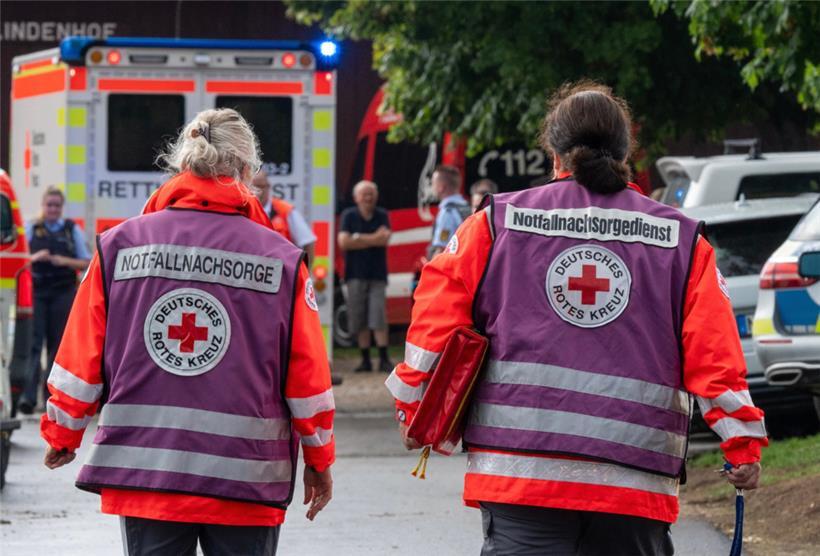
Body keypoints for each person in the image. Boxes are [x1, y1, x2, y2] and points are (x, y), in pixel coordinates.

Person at [387, 82, 767, 555]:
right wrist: (741, 443)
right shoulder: (682, 242)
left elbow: (436, 321)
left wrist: (414, 407)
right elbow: (715, 352)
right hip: (633, 479)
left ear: (554, 153)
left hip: (521, 470)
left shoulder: (496, 222)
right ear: (626, 151)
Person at [40, 108, 335, 556]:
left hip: (146, 469)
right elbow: (307, 375)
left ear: (182, 165)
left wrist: (63, 431)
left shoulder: (120, 246)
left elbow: (81, 352)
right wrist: (319, 458)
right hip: (245, 478)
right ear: (246, 170)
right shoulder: (283, 259)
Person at [18, 186, 91, 415]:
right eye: (49, 205)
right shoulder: (32, 228)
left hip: (62, 292)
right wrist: (34, 257)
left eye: (56, 205)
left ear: (61, 208)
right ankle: (28, 398)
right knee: (33, 344)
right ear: (43, 206)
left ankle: (50, 396)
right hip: (37, 292)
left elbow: (87, 262)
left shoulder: (71, 230)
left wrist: (62, 261)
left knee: (56, 346)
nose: (52, 209)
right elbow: (19, 260)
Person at [337, 180, 393, 373]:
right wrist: (373, 239)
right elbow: (343, 243)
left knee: (378, 317)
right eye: (364, 194)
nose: (368, 198)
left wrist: (357, 238)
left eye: (371, 194)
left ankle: (384, 359)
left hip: (377, 275)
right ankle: (366, 360)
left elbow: (384, 238)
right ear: (356, 198)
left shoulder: (382, 215)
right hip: (354, 275)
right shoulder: (348, 215)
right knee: (359, 318)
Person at [250, 170, 317, 265]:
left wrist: (304, 273)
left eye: (261, 186)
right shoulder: (242, 211)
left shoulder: (285, 211)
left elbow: (308, 241)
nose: (258, 192)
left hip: (283, 273)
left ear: (268, 187)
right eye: (253, 187)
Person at [428, 164, 470, 258]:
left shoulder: (447, 212)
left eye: (433, 183)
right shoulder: (467, 207)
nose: (432, 187)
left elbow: (442, 248)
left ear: (441, 187)